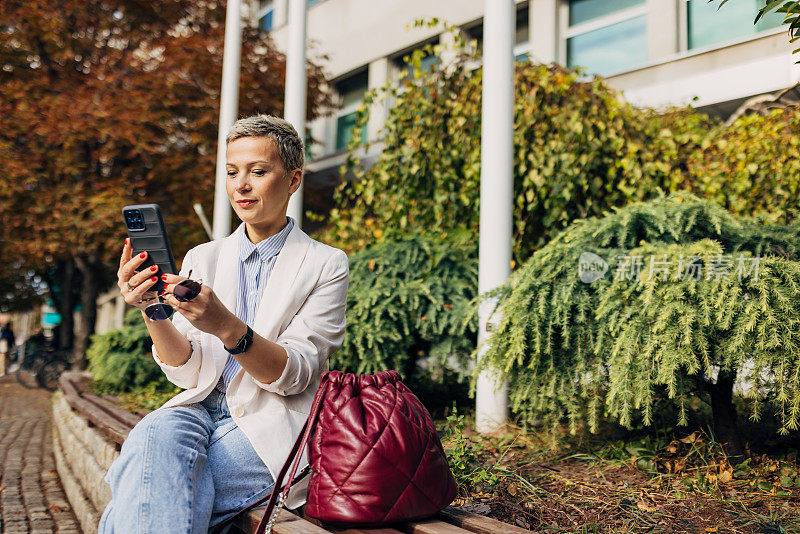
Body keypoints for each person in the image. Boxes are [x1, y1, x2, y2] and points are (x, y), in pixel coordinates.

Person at [99, 115, 350, 533]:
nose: (241, 185)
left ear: (293, 180)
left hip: (275, 415)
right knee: (154, 433)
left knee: (147, 488)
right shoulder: (204, 256)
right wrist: (151, 307)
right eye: (232, 172)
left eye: (258, 171)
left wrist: (226, 326)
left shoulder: (326, 264)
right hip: (200, 404)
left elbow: (294, 375)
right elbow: (186, 371)